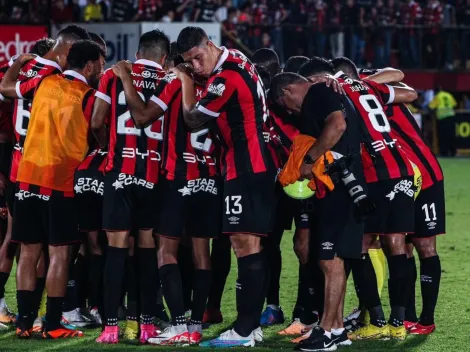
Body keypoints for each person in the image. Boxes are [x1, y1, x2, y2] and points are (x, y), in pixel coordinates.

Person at [113, 41, 221, 345]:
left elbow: (144, 116)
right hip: (209, 177)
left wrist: (125, 79)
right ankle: (196, 324)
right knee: (202, 254)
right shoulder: (214, 84)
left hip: (177, 177)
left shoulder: (174, 82)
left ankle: (178, 324)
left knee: (165, 251)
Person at [173, 26, 275, 348]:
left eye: (199, 58)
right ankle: (252, 327)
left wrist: (186, 80)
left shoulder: (226, 77)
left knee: (243, 245)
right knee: (252, 246)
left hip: (244, 167)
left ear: (210, 44)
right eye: (191, 63)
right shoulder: (238, 60)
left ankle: (244, 330)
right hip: (256, 163)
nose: (198, 66)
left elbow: (192, 119)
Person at [11, 39, 105, 339]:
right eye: (100, 63)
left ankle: (24, 323)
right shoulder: (89, 96)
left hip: (26, 177)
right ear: (89, 65)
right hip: (60, 184)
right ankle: (52, 324)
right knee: (59, 255)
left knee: (27, 253)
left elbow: (8, 88)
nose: (102, 69)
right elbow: (99, 134)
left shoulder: (44, 82)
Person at [270, 68, 365, 351]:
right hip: (344, 185)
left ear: (287, 92)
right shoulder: (325, 90)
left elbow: (337, 125)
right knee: (335, 260)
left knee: (330, 259)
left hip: (340, 186)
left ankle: (326, 330)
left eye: (285, 105)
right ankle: (335, 328)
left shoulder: (317, 94)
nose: (289, 112)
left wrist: (309, 159)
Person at [326, 57, 418, 341]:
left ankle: (377, 322)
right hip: (401, 166)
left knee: (360, 244)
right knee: (397, 244)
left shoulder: (336, 88)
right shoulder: (370, 87)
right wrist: (363, 83)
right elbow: (408, 92)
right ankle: (398, 323)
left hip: (375, 171)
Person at [91, 29, 170, 345]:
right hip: (153, 174)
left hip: (119, 173)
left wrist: (107, 149)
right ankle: (148, 326)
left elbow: (97, 122)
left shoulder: (113, 75)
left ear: (138, 53)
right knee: (148, 251)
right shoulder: (171, 81)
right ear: (163, 57)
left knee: (116, 250)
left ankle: (110, 327)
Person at [356, 64, 444, 335]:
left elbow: (399, 76)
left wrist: (365, 82)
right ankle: (407, 316)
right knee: (397, 246)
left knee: (424, 245)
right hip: (398, 178)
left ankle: (426, 319)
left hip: (424, 176)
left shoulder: (364, 87)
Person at [0, 37, 56, 329]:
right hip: (37, 169)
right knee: (39, 246)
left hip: (16, 165)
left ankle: (26, 316)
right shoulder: (52, 80)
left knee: (19, 242)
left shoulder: (15, 77)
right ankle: (33, 314)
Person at [429, 86, 457, 156]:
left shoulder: (437, 96)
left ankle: (444, 152)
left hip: (442, 118)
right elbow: (454, 104)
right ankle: (453, 151)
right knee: (451, 135)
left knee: (443, 136)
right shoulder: (448, 95)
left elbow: (431, 107)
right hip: (451, 117)